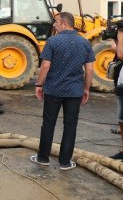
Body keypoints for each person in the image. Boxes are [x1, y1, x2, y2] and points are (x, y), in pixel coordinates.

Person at [31, 12, 95, 170]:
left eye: (56, 22)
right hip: (74, 91)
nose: (54, 25)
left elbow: (45, 66)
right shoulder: (85, 43)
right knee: (70, 126)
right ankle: (65, 162)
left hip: (53, 90)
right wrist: (86, 88)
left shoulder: (53, 41)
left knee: (48, 123)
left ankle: (43, 157)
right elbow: (90, 70)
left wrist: (39, 85)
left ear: (65, 23)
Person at [111, 21, 123, 161]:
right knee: (121, 120)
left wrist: (121, 37)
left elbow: (122, 54)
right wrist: (117, 38)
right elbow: (116, 50)